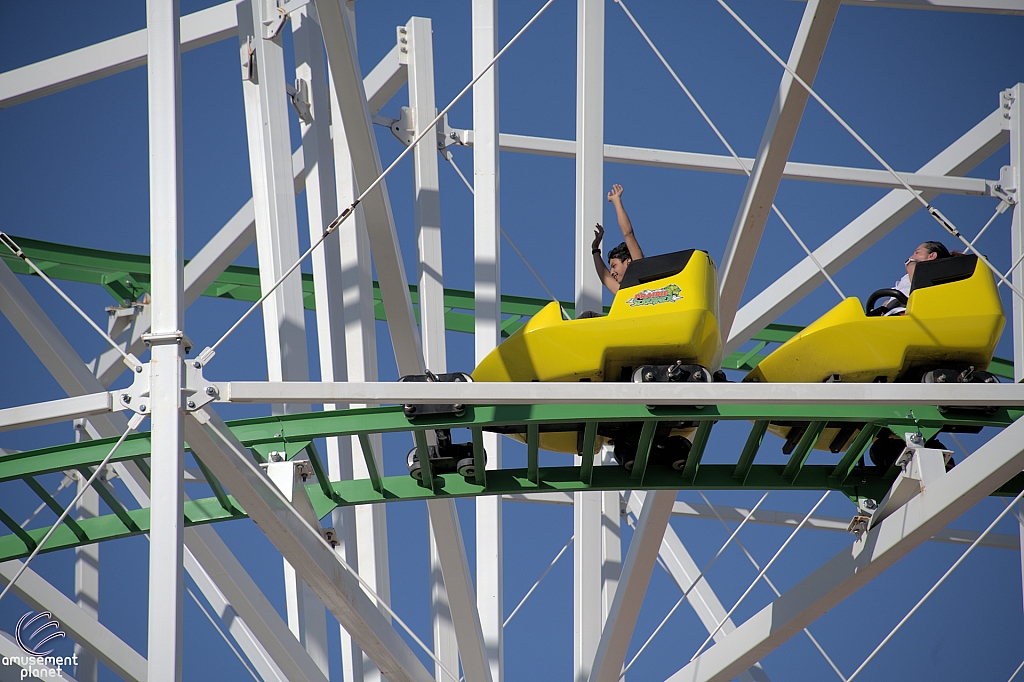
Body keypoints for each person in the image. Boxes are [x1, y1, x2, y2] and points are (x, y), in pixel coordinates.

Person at [591, 184, 644, 294]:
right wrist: (595, 249)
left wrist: (616, 201)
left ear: (628, 262)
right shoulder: (623, 293)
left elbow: (628, 234)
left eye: (614, 266)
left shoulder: (641, 271)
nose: (612, 272)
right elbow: (605, 278)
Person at [883, 241, 954, 316]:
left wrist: (911, 266)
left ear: (932, 255)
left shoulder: (936, 272)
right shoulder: (909, 275)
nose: (911, 257)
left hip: (906, 314)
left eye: (917, 253)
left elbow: (920, 287)